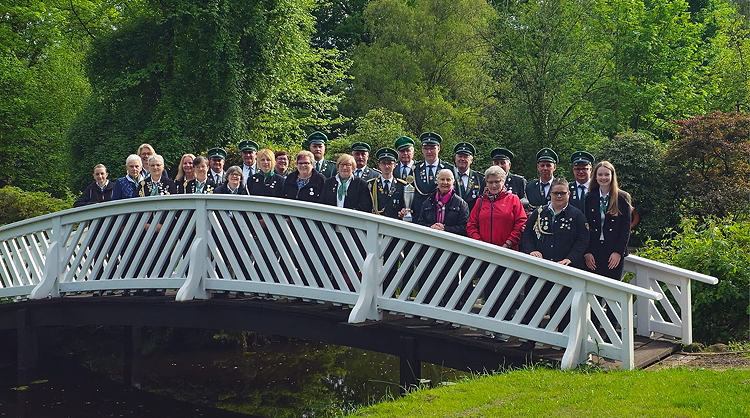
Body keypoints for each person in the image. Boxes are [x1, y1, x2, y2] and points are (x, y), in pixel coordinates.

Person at [520, 177, 589, 350]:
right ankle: (530, 339)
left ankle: (561, 341)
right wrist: (531, 251)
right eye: (555, 193)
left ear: (569, 194)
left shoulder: (576, 215)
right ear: (550, 194)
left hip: (564, 267)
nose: (559, 196)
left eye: (562, 193)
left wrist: (571, 258)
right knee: (534, 302)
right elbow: (527, 234)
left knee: (562, 305)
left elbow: (583, 240)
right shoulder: (539, 212)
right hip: (541, 267)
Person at [584, 161, 632, 280]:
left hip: (613, 250)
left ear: (612, 176)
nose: (603, 178)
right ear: (595, 176)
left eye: (606, 174)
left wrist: (618, 252)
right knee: (594, 291)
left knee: (613, 289)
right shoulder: (589, 197)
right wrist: (587, 252)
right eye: (600, 174)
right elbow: (585, 227)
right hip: (594, 251)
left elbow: (625, 228)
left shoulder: (622, 197)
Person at [467, 166, 526, 250]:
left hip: (508, 250)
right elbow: (471, 225)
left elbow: (521, 223)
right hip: (483, 252)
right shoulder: (480, 201)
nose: (494, 185)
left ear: (503, 181)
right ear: (486, 183)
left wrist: (509, 243)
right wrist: (479, 242)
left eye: (497, 182)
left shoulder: (513, 199)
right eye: (490, 182)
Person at [411, 132, 455, 221]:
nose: (429, 152)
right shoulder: (415, 169)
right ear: (422, 150)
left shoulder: (449, 169)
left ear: (438, 148)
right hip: (420, 217)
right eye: (426, 149)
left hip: (441, 217)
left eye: (432, 148)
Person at [417, 169, 469, 235]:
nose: (445, 182)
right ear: (437, 181)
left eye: (448, 180)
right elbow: (420, 223)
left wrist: (444, 229)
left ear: (453, 182)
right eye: (442, 179)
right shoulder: (428, 202)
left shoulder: (461, 204)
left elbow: (464, 227)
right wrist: (431, 227)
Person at [369, 147, 407, 219]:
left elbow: (404, 206)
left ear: (395, 165)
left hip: (395, 223)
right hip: (376, 222)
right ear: (379, 165)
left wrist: (403, 211)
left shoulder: (401, 185)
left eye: (389, 163)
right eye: (383, 163)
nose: (386, 166)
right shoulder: (371, 184)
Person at [453, 142, 485, 212]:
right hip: (452, 219)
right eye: (460, 156)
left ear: (471, 160)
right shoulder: (449, 176)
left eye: (465, 157)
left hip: (472, 218)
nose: (462, 159)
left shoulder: (480, 179)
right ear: (455, 159)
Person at [524, 148, 558, 213]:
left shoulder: (560, 186)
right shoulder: (529, 186)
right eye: (542, 165)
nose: (545, 168)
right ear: (538, 167)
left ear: (554, 167)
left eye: (548, 165)